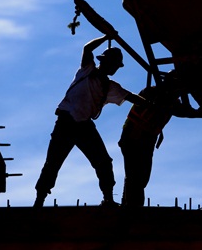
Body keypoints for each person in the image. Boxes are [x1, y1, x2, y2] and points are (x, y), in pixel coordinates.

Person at [34, 34, 151, 208]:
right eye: (114, 65)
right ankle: (39, 200)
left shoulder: (110, 86)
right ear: (105, 62)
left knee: (103, 162)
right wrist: (106, 37)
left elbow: (131, 97)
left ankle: (108, 199)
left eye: (117, 66)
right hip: (66, 123)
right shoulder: (87, 70)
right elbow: (87, 48)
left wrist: (151, 104)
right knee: (53, 163)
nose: (115, 69)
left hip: (84, 127)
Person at [118, 70, 198, 208]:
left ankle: (128, 205)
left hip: (145, 140)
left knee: (140, 176)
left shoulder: (171, 101)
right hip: (133, 137)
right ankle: (132, 208)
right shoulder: (152, 93)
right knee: (135, 175)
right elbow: (172, 107)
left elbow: (186, 112)